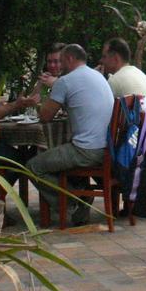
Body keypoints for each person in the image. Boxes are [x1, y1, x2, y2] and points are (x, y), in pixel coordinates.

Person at [28, 44, 115, 226]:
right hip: (107, 147)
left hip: (86, 150)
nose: (59, 66)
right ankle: (79, 195)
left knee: (32, 166)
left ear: (69, 59)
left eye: (60, 61)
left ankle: (74, 202)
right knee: (56, 157)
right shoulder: (97, 76)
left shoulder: (66, 81)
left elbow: (45, 116)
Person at [99, 37, 146, 102]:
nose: (101, 60)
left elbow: (100, 107)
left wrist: (98, 78)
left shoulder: (115, 80)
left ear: (116, 58)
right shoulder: (138, 72)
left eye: (104, 57)